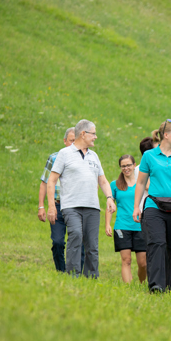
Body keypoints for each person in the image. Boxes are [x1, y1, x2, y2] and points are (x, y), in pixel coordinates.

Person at [46, 119, 116, 278]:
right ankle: (73, 275)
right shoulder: (64, 154)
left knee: (92, 245)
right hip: (71, 206)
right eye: (94, 133)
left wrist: (110, 198)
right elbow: (51, 181)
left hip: (92, 207)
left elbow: (103, 181)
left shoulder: (94, 156)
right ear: (83, 134)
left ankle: (91, 277)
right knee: (76, 235)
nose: (96, 137)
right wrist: (51, 206)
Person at [133, 119, 171, 293]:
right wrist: (136, 207)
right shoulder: (149, 156)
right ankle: (156, 286)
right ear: (166, 135)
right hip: (154, 207)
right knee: (156, 244)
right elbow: (140, 183)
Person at [37, 127, 80, 272]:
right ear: (64, 141)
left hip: (76, 206)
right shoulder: (54, 158)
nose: (74, 144)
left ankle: (76, 273)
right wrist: (42, 206)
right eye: (71, 141)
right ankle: (61, 271)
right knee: (57, 241)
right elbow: (45, 182)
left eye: (76, 141)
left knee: (79, 241)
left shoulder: (85, 157)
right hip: (57, 206)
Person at [105, 154, 147, 284]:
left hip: (141, 226)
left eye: (129, 165)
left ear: (135, 165)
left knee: (143, 263)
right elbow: (110, 206)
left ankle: (140, 283)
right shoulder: (115, 185)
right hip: (122, 226)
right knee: (126, 260)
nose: (126, 168)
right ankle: (128, 287)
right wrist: (107, 224)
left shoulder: (143, 183)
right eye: (123, 166)